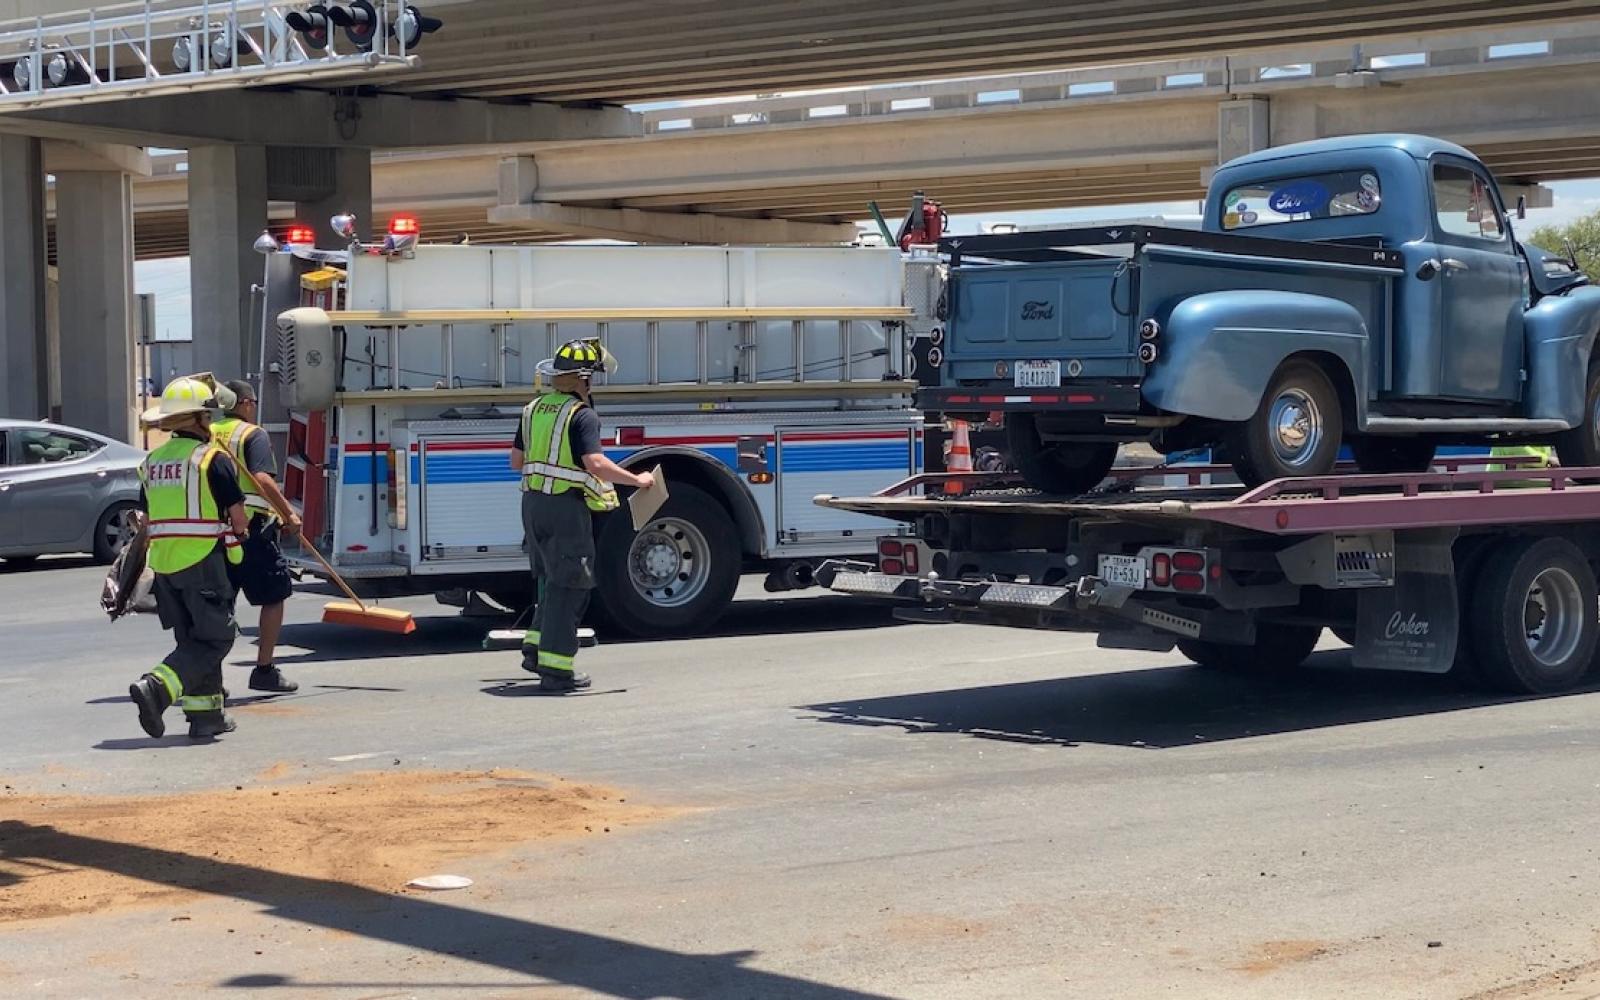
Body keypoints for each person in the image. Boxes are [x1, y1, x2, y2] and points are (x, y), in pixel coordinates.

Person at [508, 340, 655, 692]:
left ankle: (535, 649)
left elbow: (516, 462)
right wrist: (638, 480)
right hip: (564, 508)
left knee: (550, 581)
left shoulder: (533, 408)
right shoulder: (582, 414)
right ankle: (556, 670)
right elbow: (595, 463)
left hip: (533, 505)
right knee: (571, 584)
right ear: (583, 380)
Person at [127, 377, 248, 740]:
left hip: (164, 566)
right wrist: (238, 535)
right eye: (208, 415)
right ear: (198, 418)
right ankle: (157, 687)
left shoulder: (152, 461)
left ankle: (206, 716)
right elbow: (239, 518)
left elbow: (146, 518)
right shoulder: (211, 459)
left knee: (193, 639)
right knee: (216, 639)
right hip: (202, 562)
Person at [212, 379, 303, 693]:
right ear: (246, 404)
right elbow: (262, 478)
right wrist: (289, 513)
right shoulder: (253, 434)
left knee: (220, 605)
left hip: (213, 533)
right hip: (251, 531)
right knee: (274, 595)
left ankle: (211, 678)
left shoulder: (205, 434)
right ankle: (264, 670)